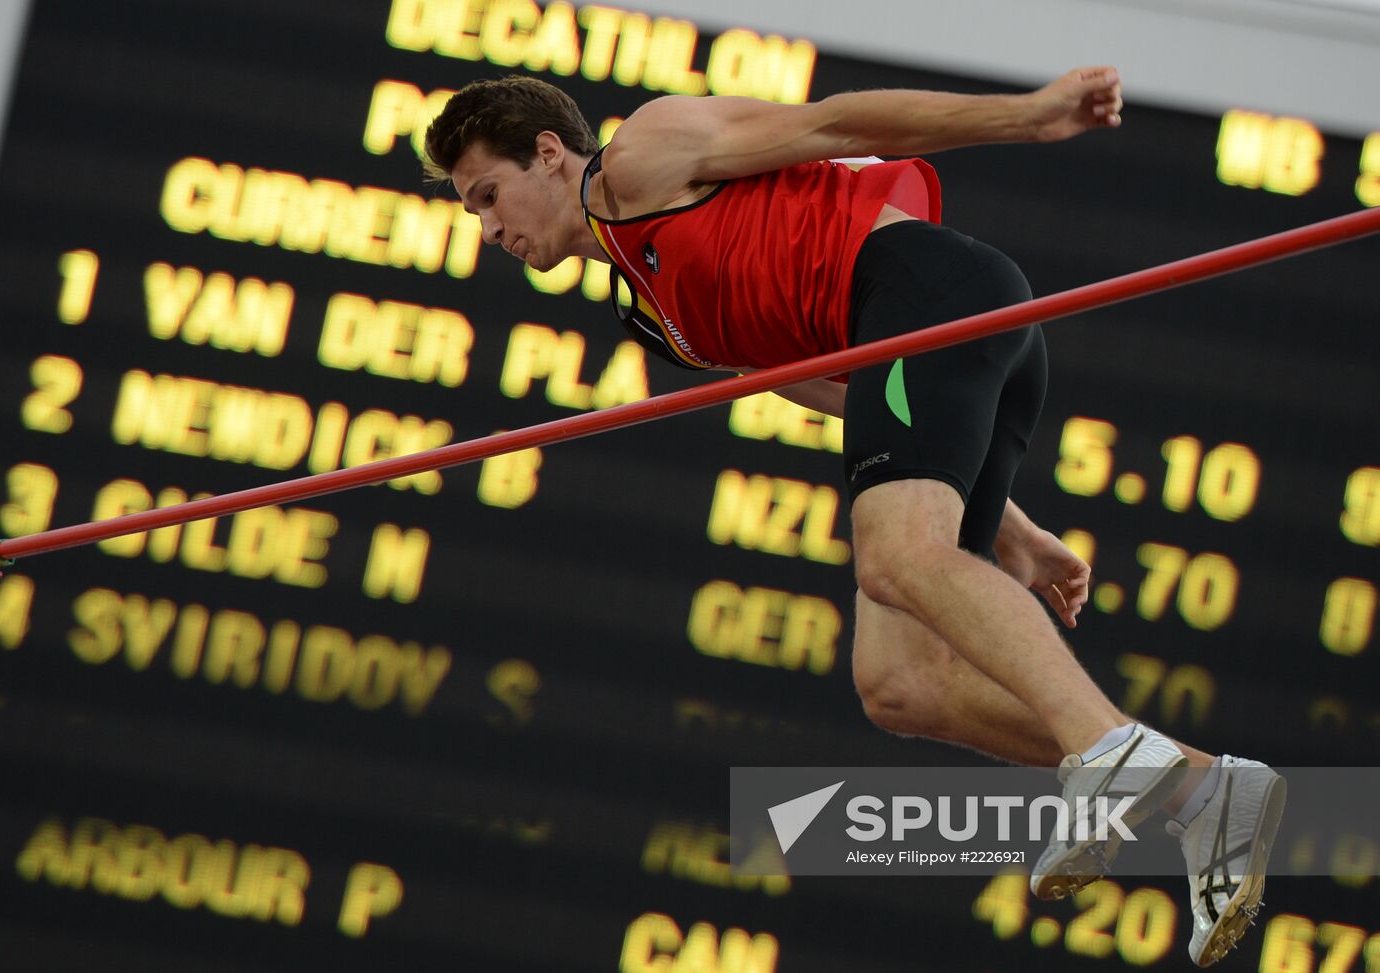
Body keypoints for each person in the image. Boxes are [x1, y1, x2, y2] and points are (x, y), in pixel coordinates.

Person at [423, 69, 1284, 966]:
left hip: (932, 297)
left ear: (550, 154)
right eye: (472, 212)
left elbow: (836, 122)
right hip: (928, 355)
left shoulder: (644, 154)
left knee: (895, 556)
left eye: (489, 195)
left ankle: (1107, 753)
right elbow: (824, 386)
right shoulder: (650, 316)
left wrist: (1025, 117)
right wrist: (1007, 520)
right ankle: (1205, 793)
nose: (489, 230)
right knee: (900, 683)